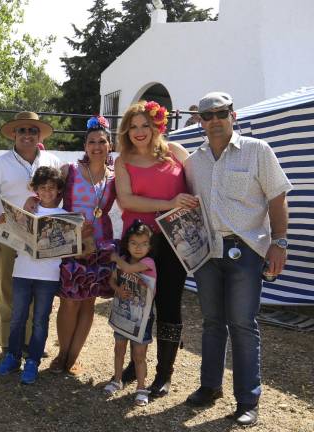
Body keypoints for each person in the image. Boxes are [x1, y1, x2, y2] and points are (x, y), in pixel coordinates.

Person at [184, 92, 292, 426]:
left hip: (246, 251)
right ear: (200, 122)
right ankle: (210, 386)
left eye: (220, 113)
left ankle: (247, 400)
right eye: (208, 116)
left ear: (233, 115)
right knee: (212, 323)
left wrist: (280, 243)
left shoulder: (258, 151)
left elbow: (277, 198)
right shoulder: (193, 161)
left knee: (243, 325)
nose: (214, 120)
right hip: (207, 253)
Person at [114, 101, 198, 398]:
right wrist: (169, 203)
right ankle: (131, 367)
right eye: (133, 126)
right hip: (138, 244)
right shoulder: (122, 160)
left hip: (175, 241)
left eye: (145, 125)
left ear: (156, 126)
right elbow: (127, 201)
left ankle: (164, 373)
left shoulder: (176, 152)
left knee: (169, 304)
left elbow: (198, 190)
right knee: (136, 305)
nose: (139, 132)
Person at [0, 111, 62, 352]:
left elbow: (60, 197)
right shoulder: (0, 164)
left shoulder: (53, 161)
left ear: (39, 134)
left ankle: (31, 341)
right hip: (9, 230)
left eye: (32, 130)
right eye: (22, 130)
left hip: (42, 232)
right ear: (14, 135)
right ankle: (8, 342)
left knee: (38, 284)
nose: (27, 134)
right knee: (8, 286)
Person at [48, 116, 117, 375]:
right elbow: (49, 199)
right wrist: (32, 203)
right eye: (91, 142)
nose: (97, 146)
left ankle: (73, 358)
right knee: (69, 301)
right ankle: (61, 354)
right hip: (71, 245)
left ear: (110, 145)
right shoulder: (70, 170)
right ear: (85, 145)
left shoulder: (115, 177)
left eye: (102, 141)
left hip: (100, 246)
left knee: (88, 302)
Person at [0, 166, 65, 384]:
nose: (47, 192)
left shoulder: (65, 216)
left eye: (51, 188)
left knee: (40, 321)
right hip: (22, 271)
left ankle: (33, 360)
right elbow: (6, 231)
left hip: (49, 275)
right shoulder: (26, 212)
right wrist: (2, 223)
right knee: (17, 317)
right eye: (42, 188)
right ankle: (12, 356)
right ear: (35, 189)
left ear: (59, 190)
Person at [105, 221, 156, 406]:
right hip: (122, 314)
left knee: (139, 354)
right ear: (127, 244)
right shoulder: (123, 259)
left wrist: (115, 258)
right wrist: (118, 289)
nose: (138, 248)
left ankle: (142, 388)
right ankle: (117, 380)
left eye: (143, 243)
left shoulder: (148, 262)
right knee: (119, 349)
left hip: (142, 318)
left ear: (150, 246)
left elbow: (126, 269)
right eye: (134, 243)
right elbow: (112, 281)